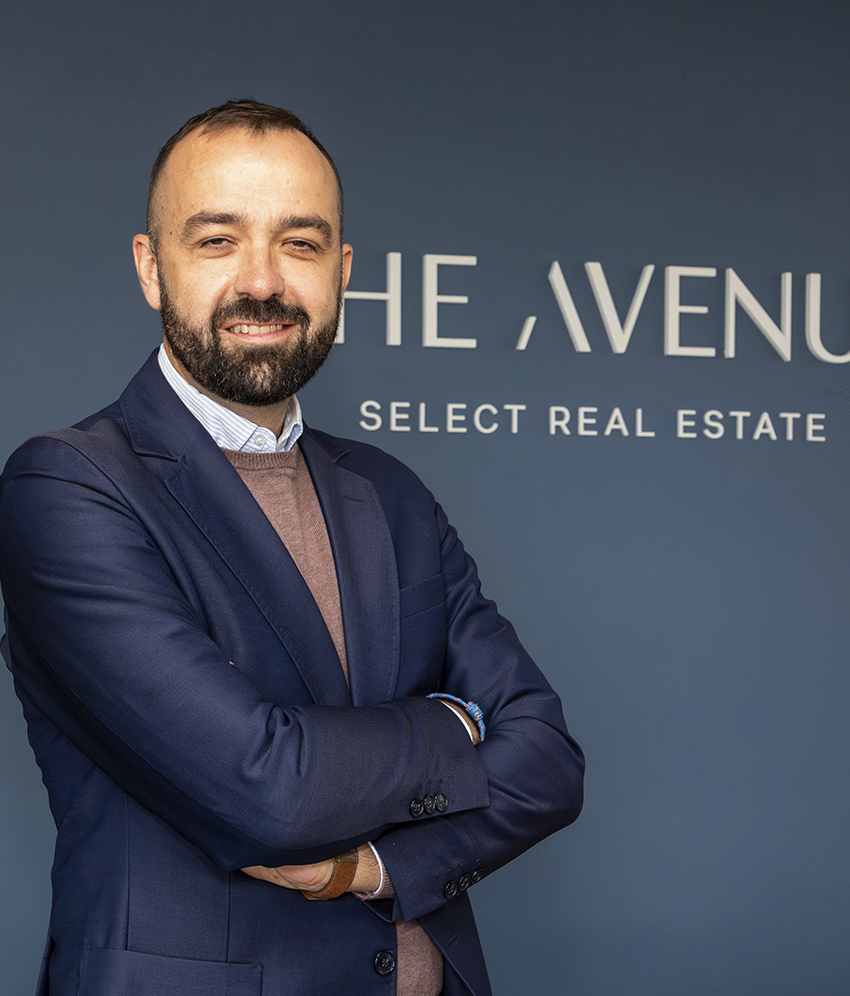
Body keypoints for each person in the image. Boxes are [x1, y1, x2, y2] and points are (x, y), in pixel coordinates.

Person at [0, 99, 584, 996]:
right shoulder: (71, 486)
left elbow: (546, 760)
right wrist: (457, 724)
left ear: (341, 271)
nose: (263, 281)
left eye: (300, 243)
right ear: (151, 268)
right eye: (218, 240)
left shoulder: (389, 491)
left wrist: (370, 870)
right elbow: (268, 788)